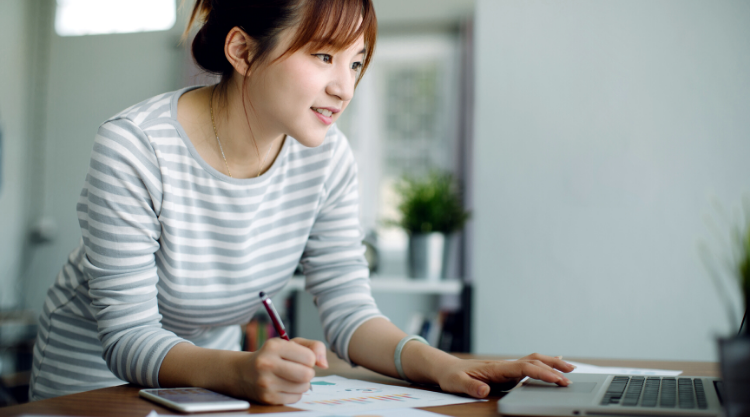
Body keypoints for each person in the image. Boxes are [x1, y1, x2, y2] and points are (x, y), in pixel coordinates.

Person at [29, 0, 574, 404]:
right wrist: (242, 371)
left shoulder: (327, 159)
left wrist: (450, 368)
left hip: (208, 381)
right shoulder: (134, 146)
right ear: (242, 51)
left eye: (356, 63)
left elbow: (350, 312)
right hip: (93, 383)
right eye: (323, 55)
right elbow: (127, 337)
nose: (345, 87)